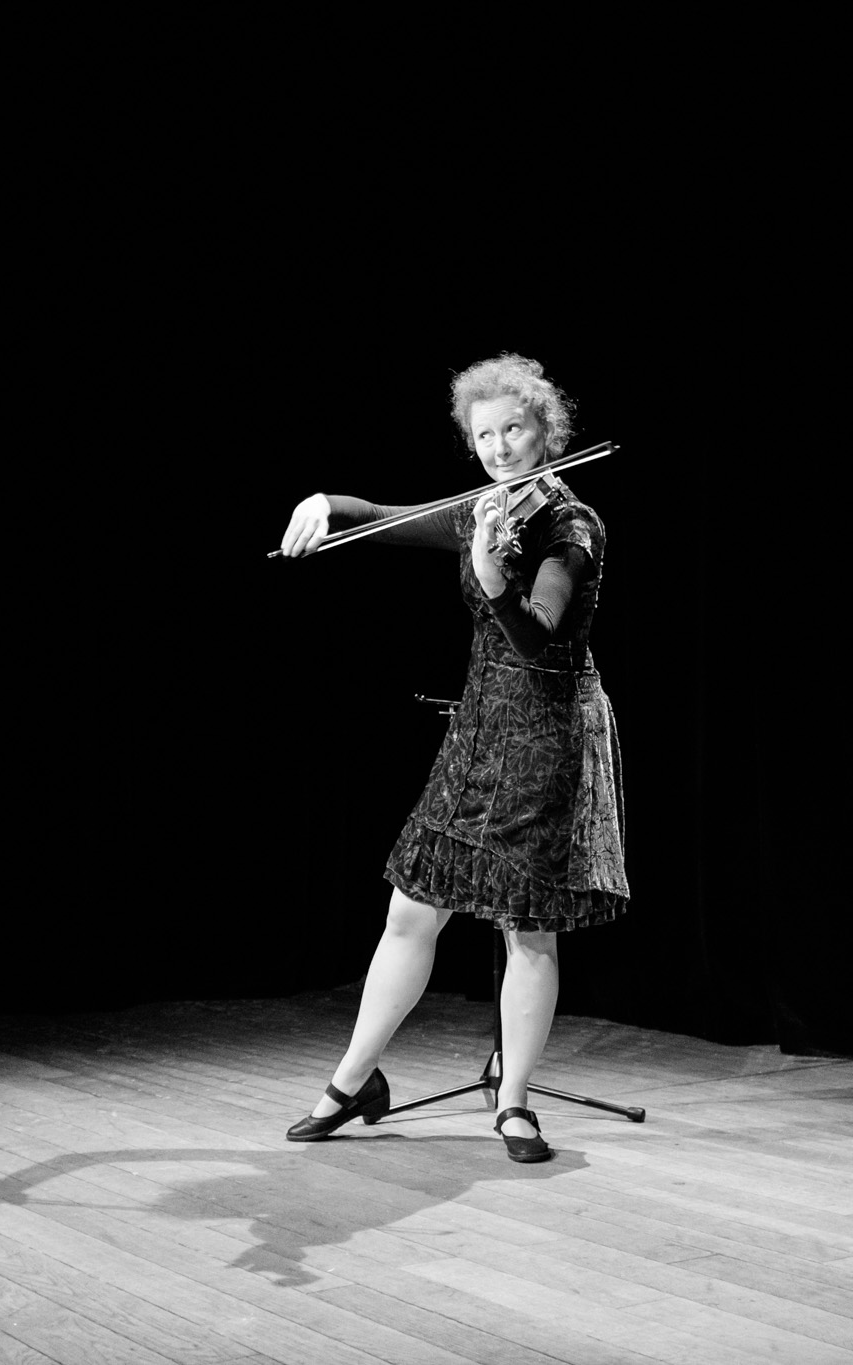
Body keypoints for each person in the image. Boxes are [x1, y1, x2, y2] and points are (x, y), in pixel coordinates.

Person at [275, 354, 630, 1162]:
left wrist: (491, 578)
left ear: (546, 433)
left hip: (546, 736)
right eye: (485, 435)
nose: (500, 447)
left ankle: (514, 1102)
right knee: (411, 911)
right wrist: (326, 503)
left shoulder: (571, 527)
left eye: (514, 430)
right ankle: (354, 1080)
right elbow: (382, 516)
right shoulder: (481, 511)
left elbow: (538, 633)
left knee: (528, 930)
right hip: (477, 734)